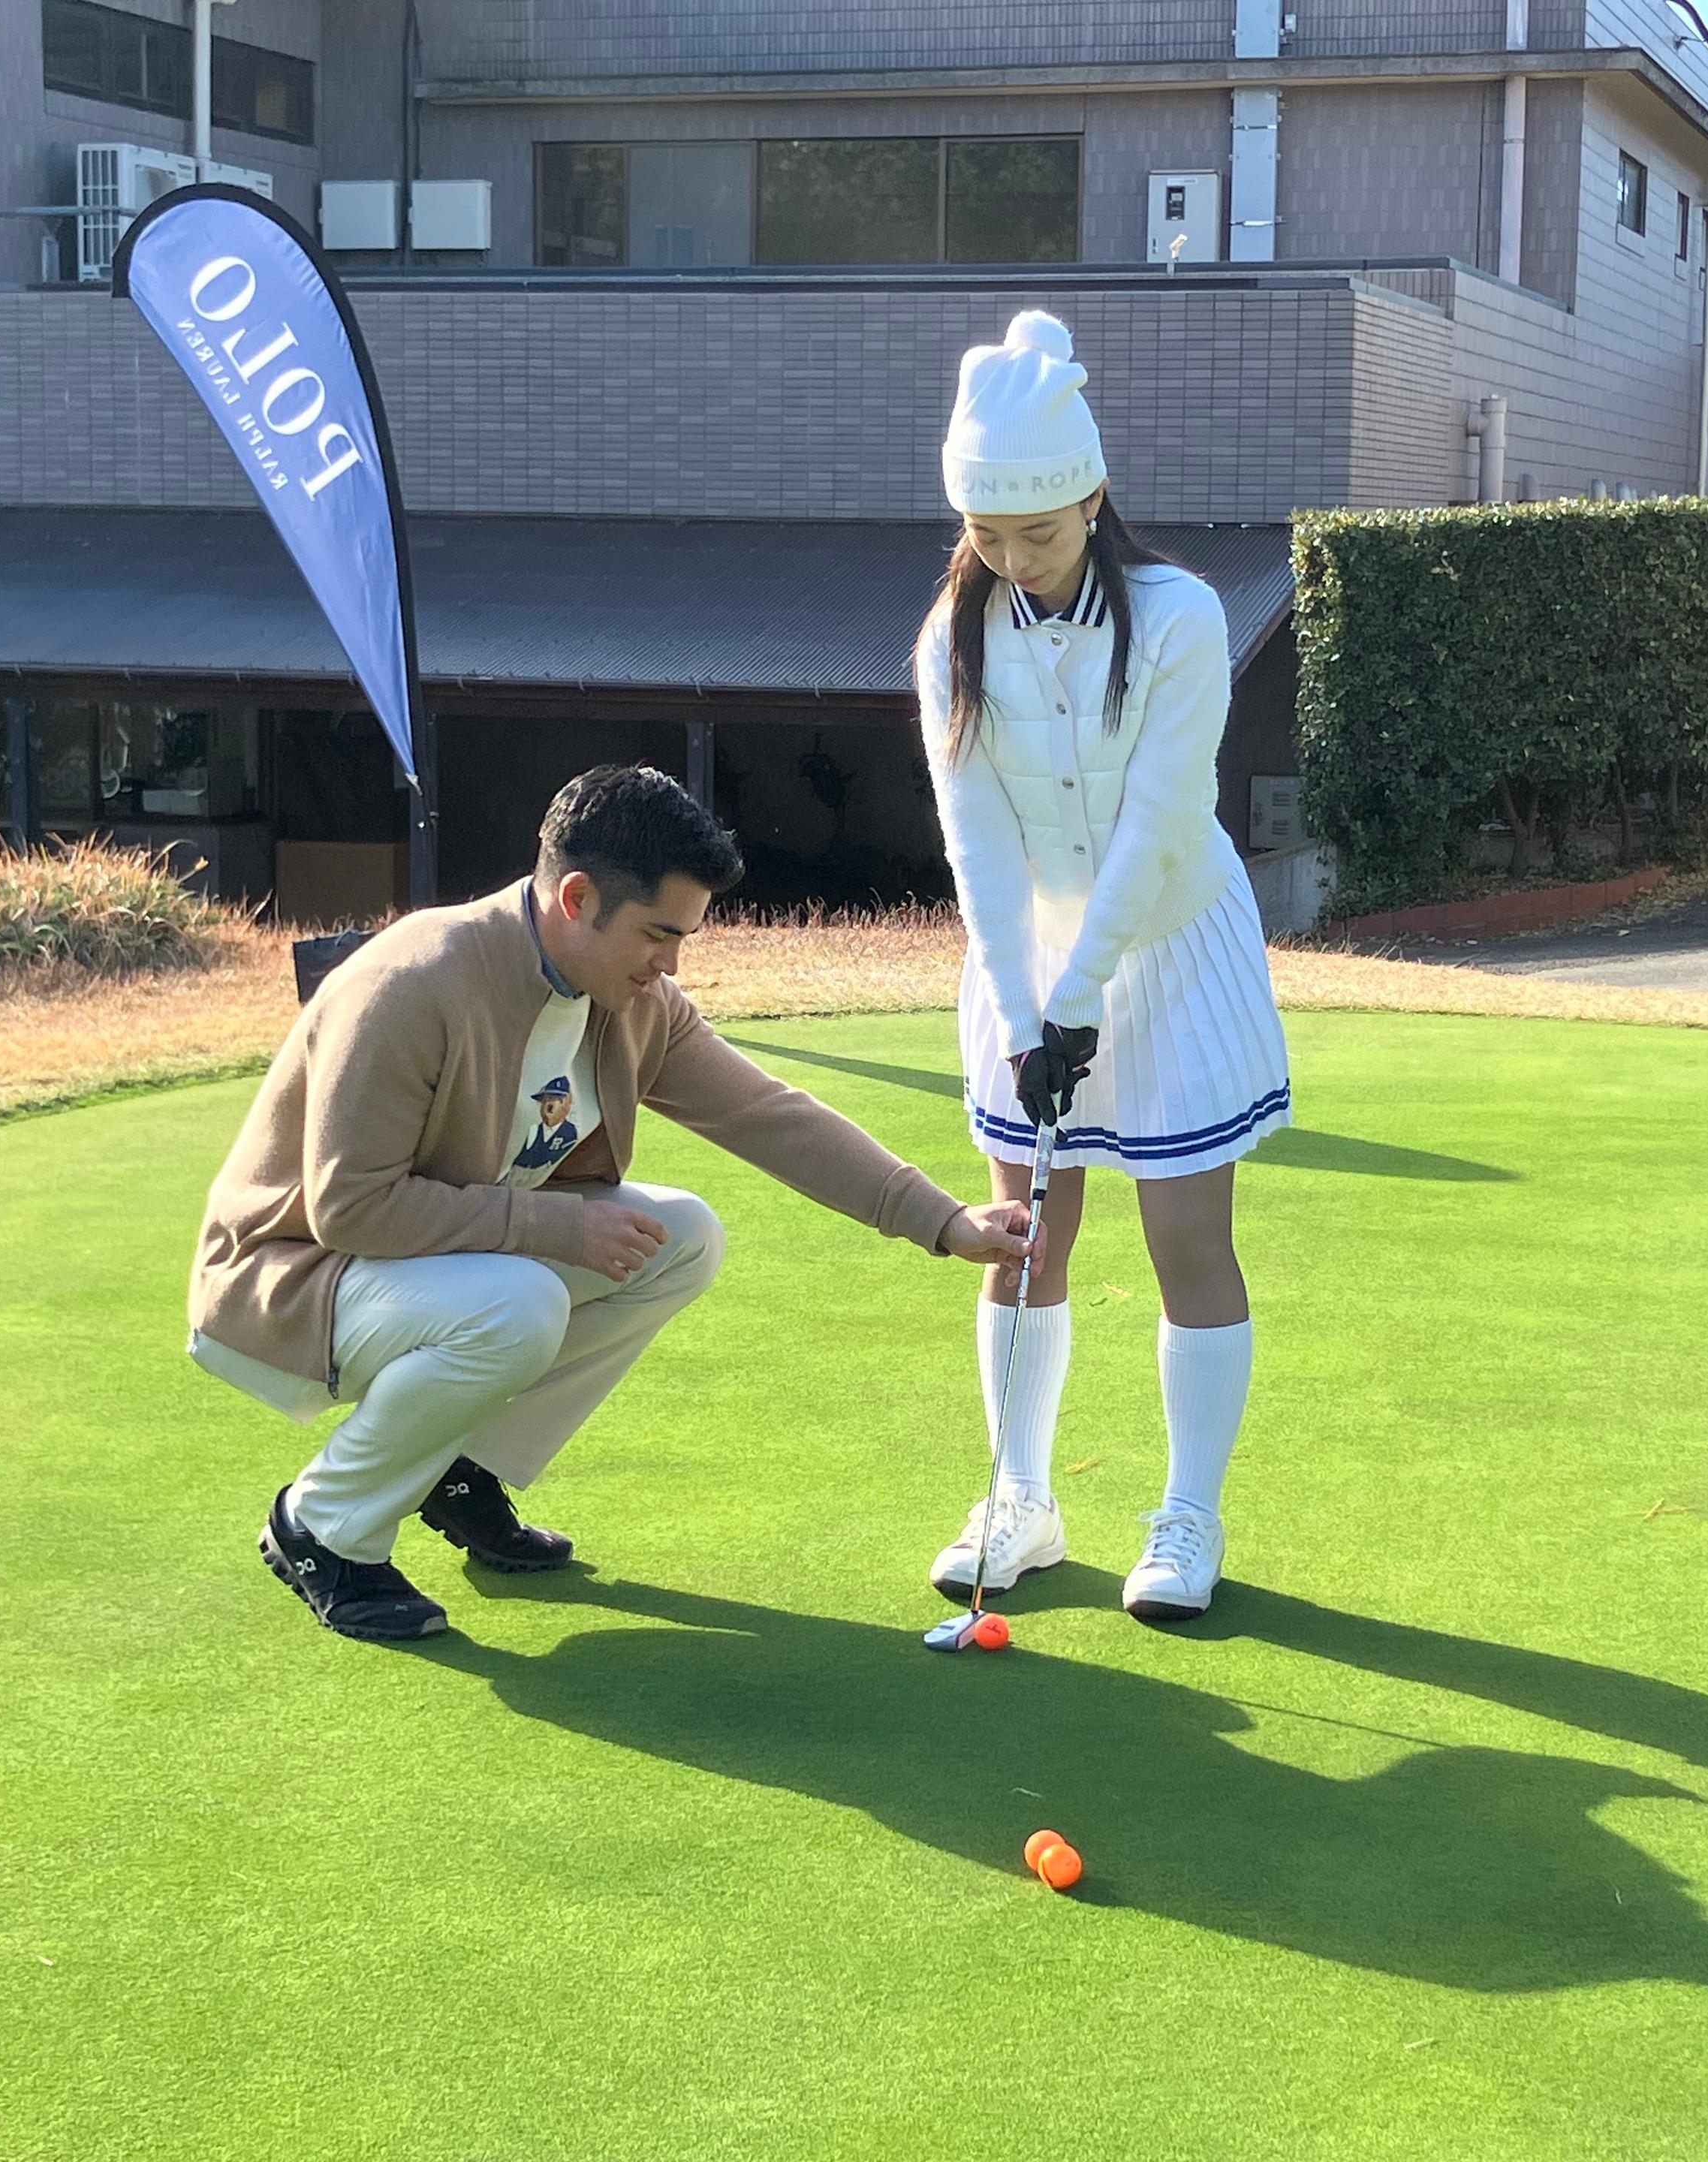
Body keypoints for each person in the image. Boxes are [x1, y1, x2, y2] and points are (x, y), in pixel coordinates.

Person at [187, 763, 1033, 1643]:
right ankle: (323, 1527)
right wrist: (553, 1224)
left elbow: (766, 1115)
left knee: (683, 1236)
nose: (670, 964)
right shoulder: (409, 984)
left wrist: (941, 1221)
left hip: (421, 1269)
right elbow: (351, 1209)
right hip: (287, 1280)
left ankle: (459, 1467)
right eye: (657, 934)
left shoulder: (636, 1002)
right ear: (577, 897)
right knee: (520, 1304)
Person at [917, 311, 1294, 1625]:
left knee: (1189, 1238)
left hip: (1170, 947)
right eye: (987, 535)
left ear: (1093, 497)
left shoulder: (1182, 618)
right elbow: (977, 835)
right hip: (1025, 961)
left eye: (1039, 532)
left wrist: (1078, 1007)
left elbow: (1161, 822)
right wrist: (1029, 1010)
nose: (1012, 560)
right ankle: (1021, 1497)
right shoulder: (951, 639)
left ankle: (1188, 1513)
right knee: (1026, 1234)